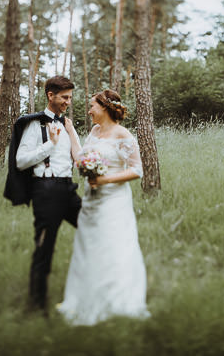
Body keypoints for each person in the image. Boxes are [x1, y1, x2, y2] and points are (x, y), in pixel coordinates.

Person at [57, 89, 150, 325]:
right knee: (89, 247)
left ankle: (117, 302)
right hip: (91, 201)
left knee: (113, 246)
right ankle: (84, 297)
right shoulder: (95, 131)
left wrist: (105, 180)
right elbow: (81, 158)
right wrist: (70, 133)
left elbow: (137, 170)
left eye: (92, 106)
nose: (89, 110)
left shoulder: (123, 135)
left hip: (113, 200)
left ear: (105, 107)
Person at [3, 75, 81, 314]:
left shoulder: (67, 124)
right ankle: (36, 306)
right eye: (65, 97)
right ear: (51, 95)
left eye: (70, 97)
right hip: (46, 191)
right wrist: (50, 144)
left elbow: (78, 156)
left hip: (68, 189)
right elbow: (21, 161)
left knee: (93, 227)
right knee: (45, 245)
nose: (68, 102)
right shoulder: (34, 125)